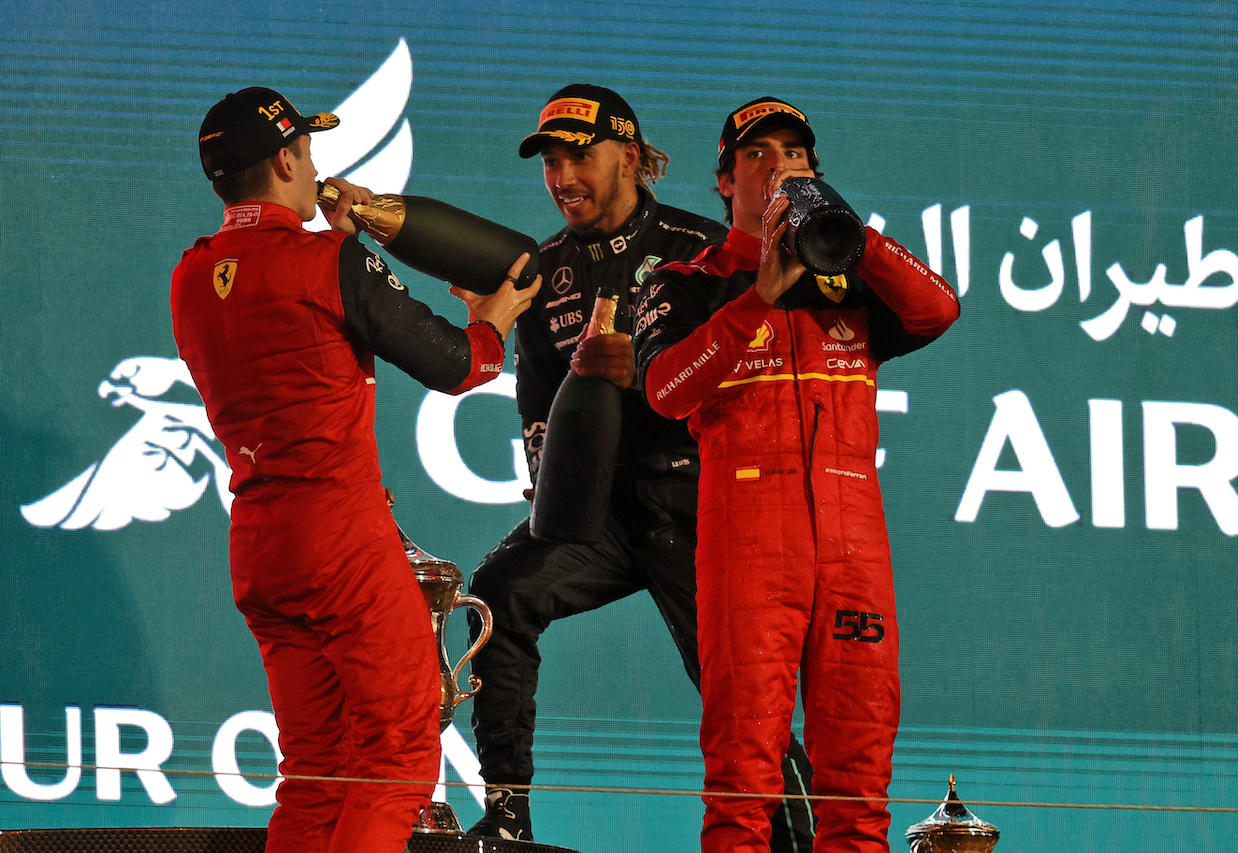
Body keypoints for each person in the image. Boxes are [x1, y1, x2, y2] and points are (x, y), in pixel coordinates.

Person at [170, 86, 539, 853]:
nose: (315, 166)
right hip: (340, 539)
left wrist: (347, 250)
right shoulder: (327, 258)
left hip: (261, 548)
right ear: (283, 158)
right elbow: (456, 362)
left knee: (315, 771)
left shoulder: (192, 273)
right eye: (306, 150)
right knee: (397, 758)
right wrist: (494, 320)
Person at [465, 84, 815, 850]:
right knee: (498, 592)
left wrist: (639, 377)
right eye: (551, 163)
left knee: (743, 703)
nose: (563, 179)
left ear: (629, 156)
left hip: (703, 509)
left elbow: (746, 374)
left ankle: (799, 842)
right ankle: (507, 818)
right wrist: (549, 483)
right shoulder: (543, 272)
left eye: (579, 157)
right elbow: (536, 407)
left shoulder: (702, 249)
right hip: (602, 518)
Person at [634, 98, 961, 852]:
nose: (780, 163)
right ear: (725, 180)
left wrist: (846, 231)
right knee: (744, 784)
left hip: (854, 546)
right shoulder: (686, 281)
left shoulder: (853, 279)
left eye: (797, 153)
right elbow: (666, 390)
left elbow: (939, 308)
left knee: (859, 784)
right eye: (759, 154)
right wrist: (760, 297)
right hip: (749, 544)